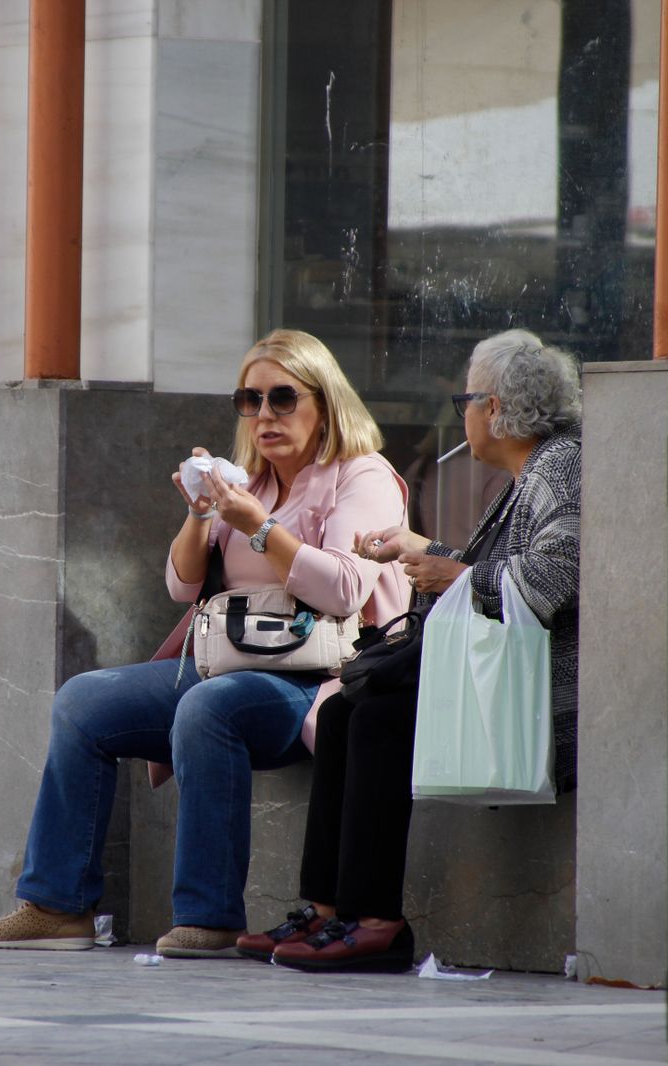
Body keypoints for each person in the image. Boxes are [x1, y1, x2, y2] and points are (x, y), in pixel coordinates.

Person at [0, 329, 409, 958]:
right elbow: (182, 585)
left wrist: (258, 529)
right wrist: (203, 511)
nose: (264, 415)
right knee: (82, 701)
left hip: (317, 678)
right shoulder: (248, 484)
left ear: (326, 402)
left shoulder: (360, 477)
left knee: (208, 707)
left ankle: (209, 915)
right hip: (226, 659)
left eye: (283, 398)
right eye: (249, 401)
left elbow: (342, 587)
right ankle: (57, 906)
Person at [240, 328, 583, 973]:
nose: (464, 416)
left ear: (498, 408)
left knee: (376, 719)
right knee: (345, 712)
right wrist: (421, 552)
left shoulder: (559, 465)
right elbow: (507, 569)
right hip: (503, 676)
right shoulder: (534, 469)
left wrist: (449, 574)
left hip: (537, 698)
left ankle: (376, 922)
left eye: (466, 401)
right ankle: (328, 909)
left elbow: (548, 582)